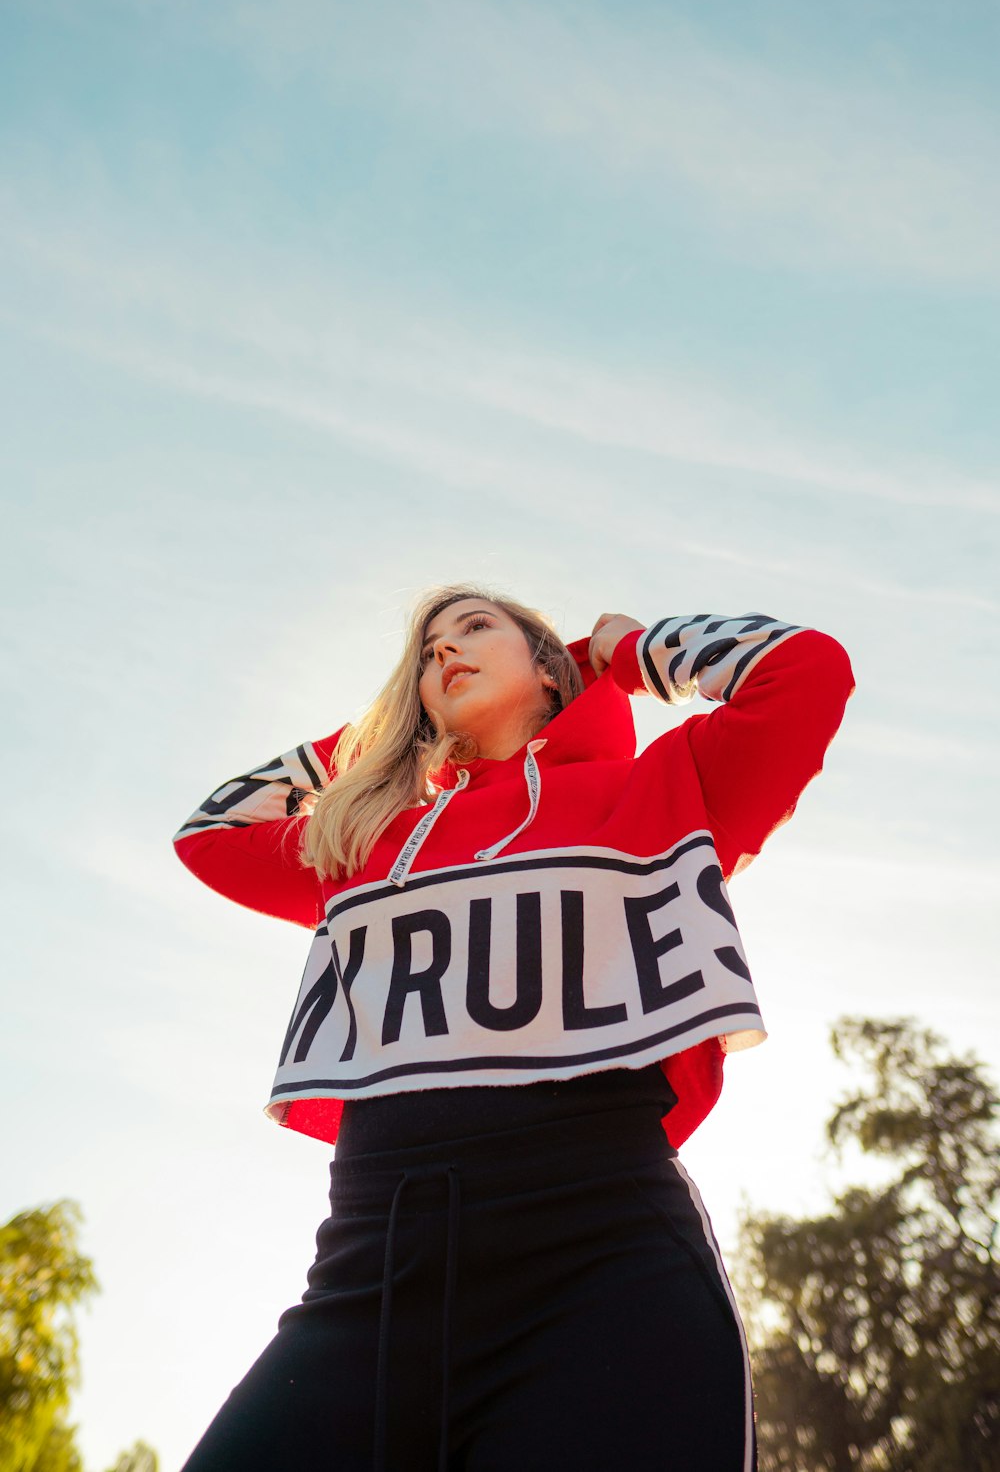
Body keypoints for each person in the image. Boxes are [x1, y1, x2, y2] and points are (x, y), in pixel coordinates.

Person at [173, 585, 854, 1472]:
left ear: (546, 665)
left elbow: (804, 670)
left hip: (606, 1265)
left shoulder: (660, 787)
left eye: (475, 629)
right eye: (425, 654)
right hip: (370, 1276)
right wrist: (383, 734)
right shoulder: (368, 839)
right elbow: (210, 830)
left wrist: (626, 652)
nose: (443, 653)